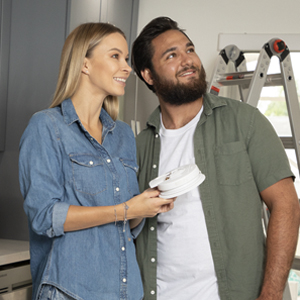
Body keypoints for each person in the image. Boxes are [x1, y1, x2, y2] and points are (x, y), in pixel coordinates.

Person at [131, 16, 300, 300]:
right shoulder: (139, 145)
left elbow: (286, 205)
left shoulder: (245, 122)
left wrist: (271, 294)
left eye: (189, 49)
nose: (188, 60)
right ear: (148, 75)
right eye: (172, 55)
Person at [18, 22, 175, 300]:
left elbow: (125, 224)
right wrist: (125, 210)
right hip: (69, 292)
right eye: (115, 56)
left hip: (124, 292)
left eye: (126, 59)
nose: (127, 67)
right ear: (85, 64)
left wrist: (147, 205)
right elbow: (44, 216)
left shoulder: (124, 134)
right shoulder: (46, 127)